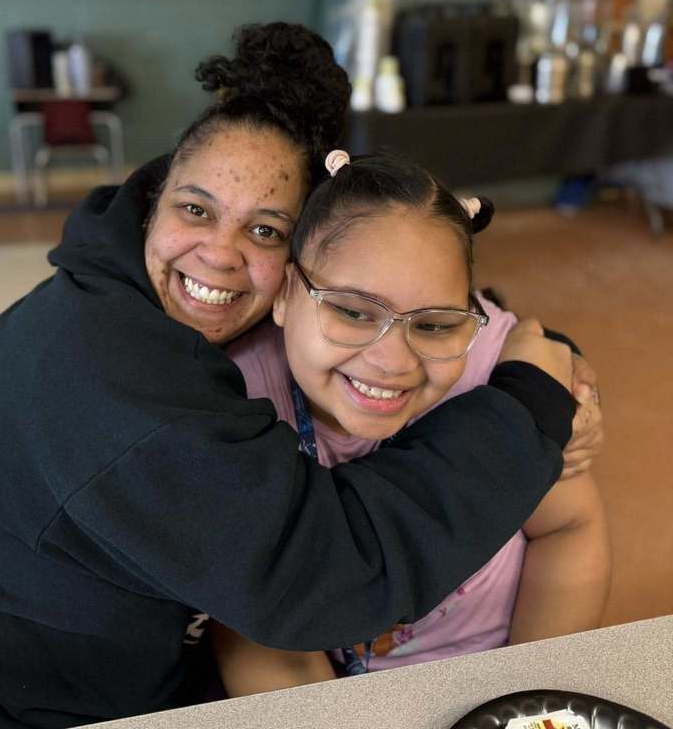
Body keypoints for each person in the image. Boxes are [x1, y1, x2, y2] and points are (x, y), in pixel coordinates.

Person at [0, 24, 597, 728]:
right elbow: (316, 574)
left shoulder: (136, 296)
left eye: (265, 230)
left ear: (297, 263)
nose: (219, 254)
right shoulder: (125, 388)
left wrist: (540, 353)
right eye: (196, 209)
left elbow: (408, 287)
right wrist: (527, 407)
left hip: (77, 653)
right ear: (154, 201)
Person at [215, 152, 611, 696]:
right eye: (352, 311)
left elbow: (569, 527)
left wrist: (526, 692)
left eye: (434, 324)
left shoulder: (502, 371)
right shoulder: (238, 400)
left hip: (505, 668)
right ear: (285, 293)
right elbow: (255, 626)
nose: (393, 361)